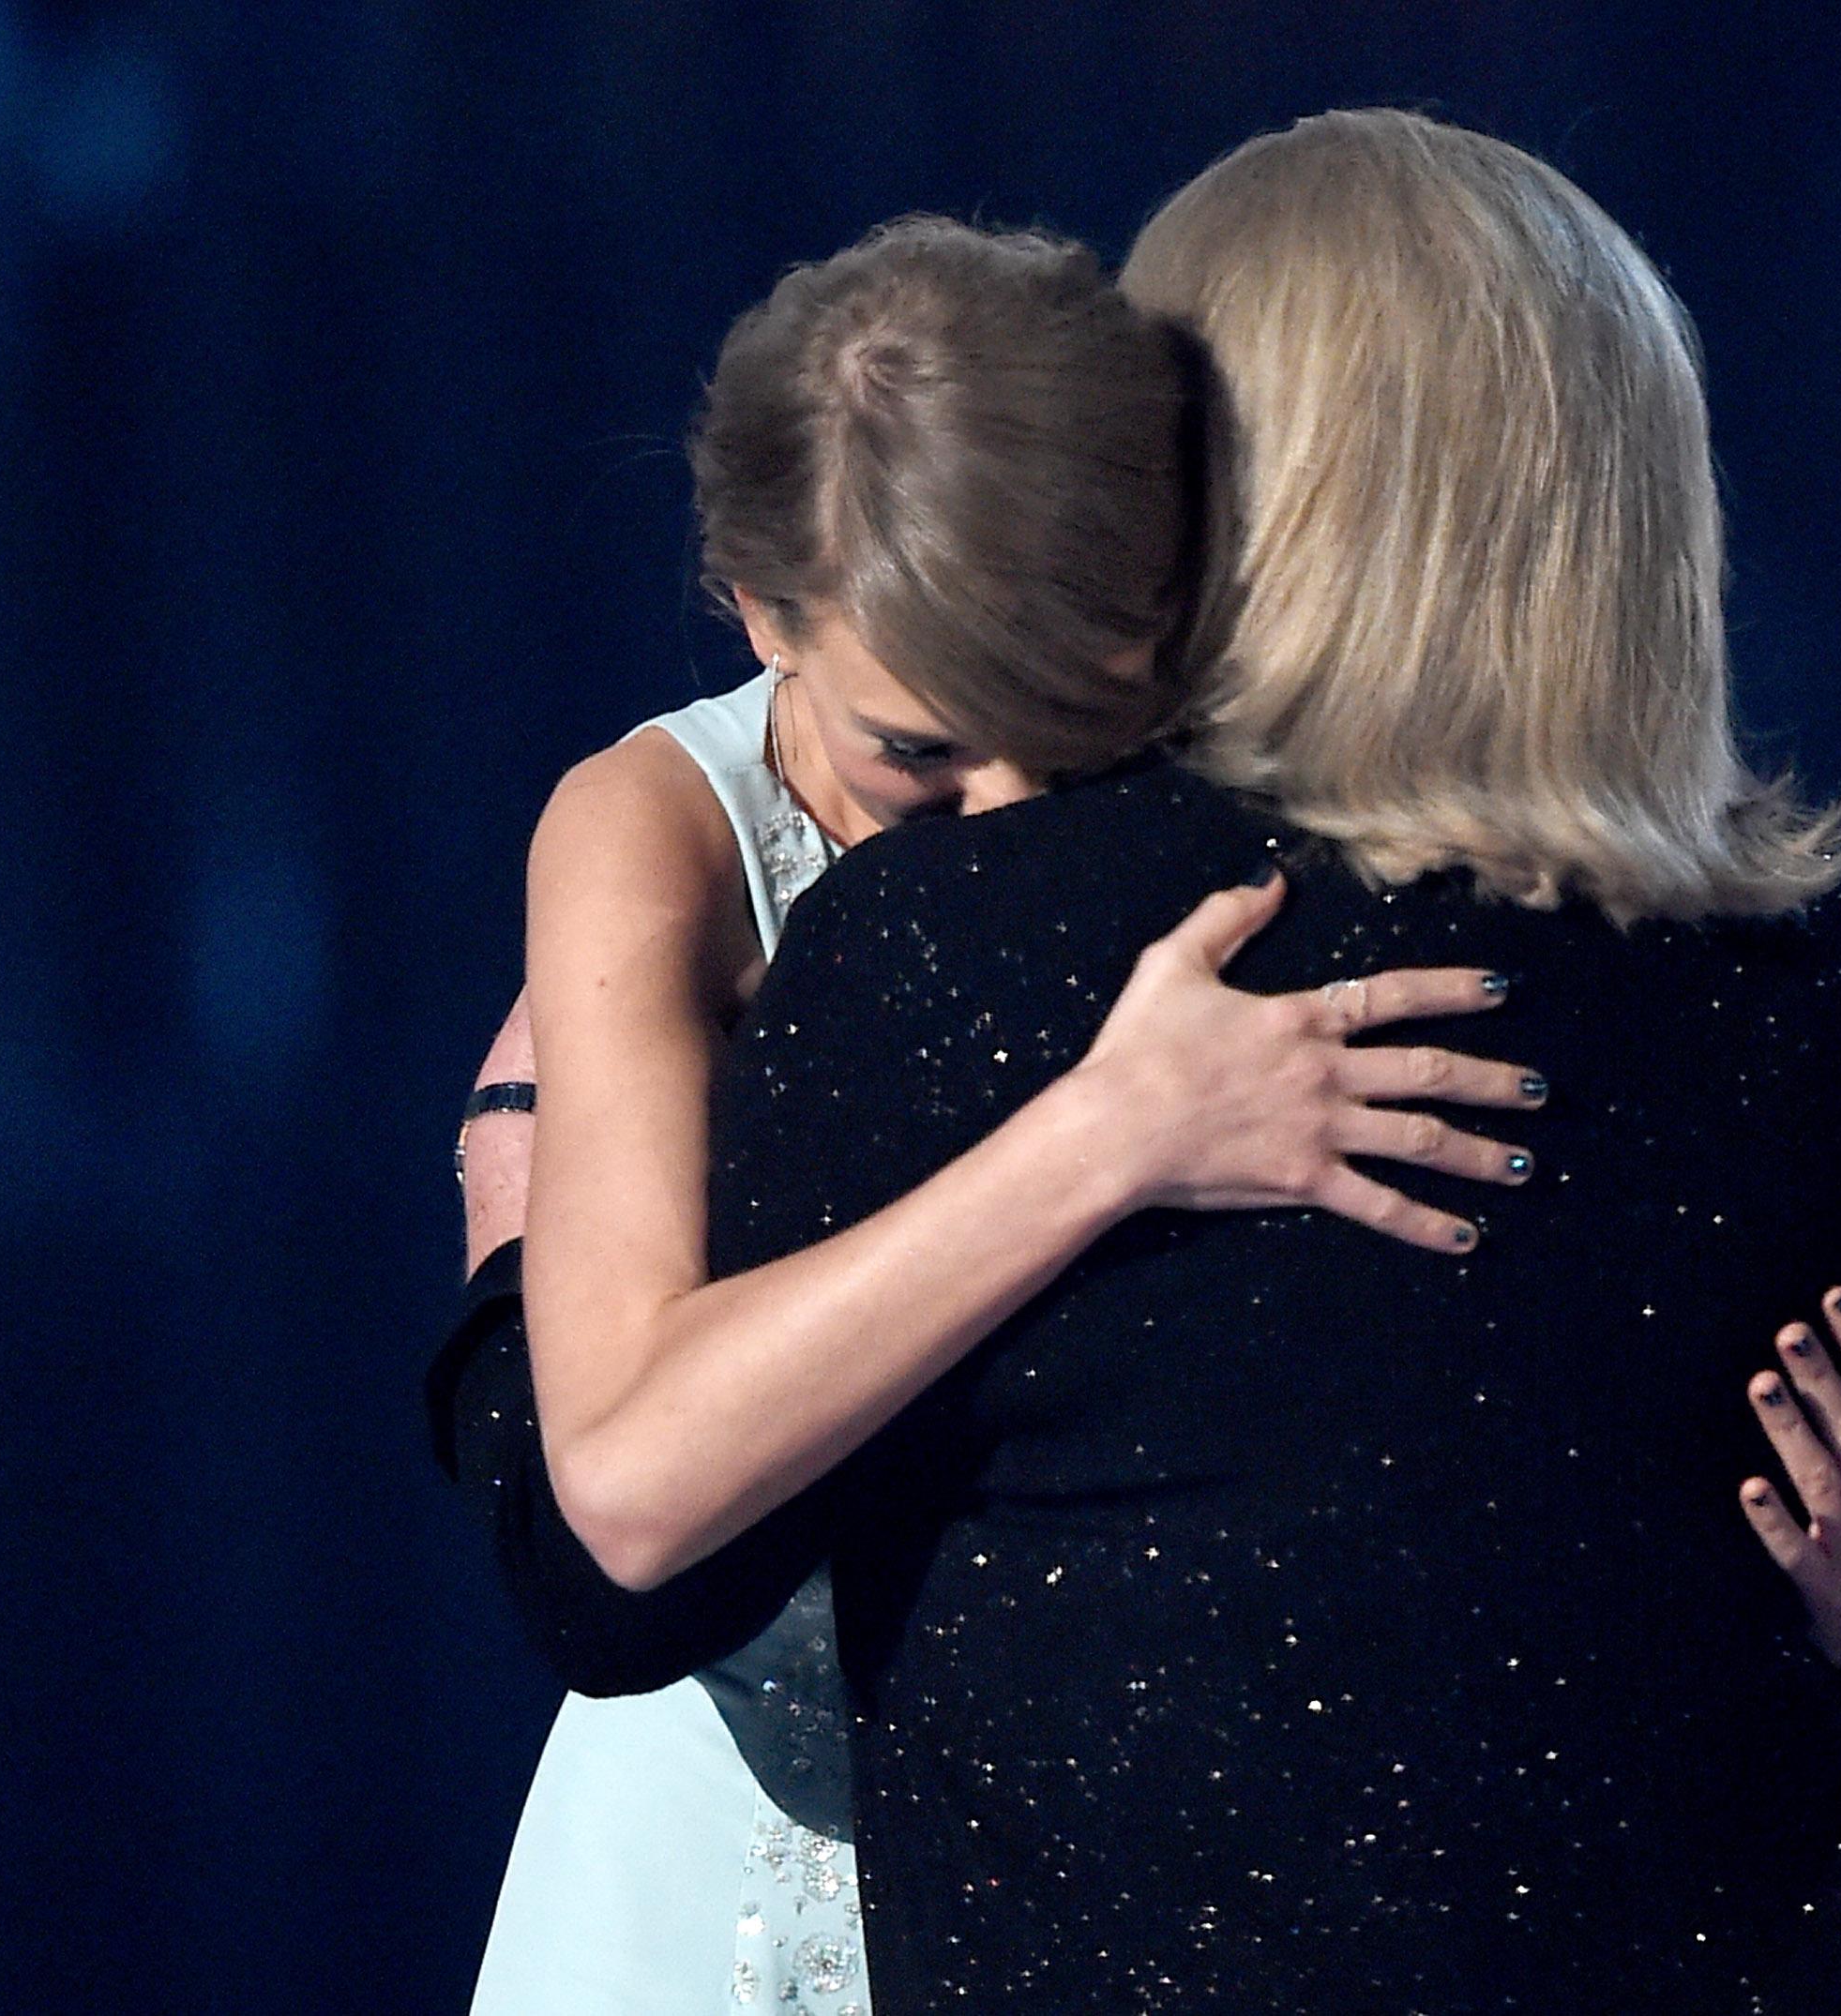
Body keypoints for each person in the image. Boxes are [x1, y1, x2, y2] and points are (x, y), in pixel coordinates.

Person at [657, 112, 1841, 2009]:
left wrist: (524, 1197)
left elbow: (633, 1573)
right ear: (1627, 486)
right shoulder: (1812, 967)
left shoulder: (946, 936)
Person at [433, 213, 1547, 2016]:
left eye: (1073, 727)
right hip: (733, 1870)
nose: (1012, 807)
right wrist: (1117, 1133)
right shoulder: (649, 832)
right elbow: (629, 1488)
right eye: (925, 751)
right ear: (760, 607)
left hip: (1133, 1842)